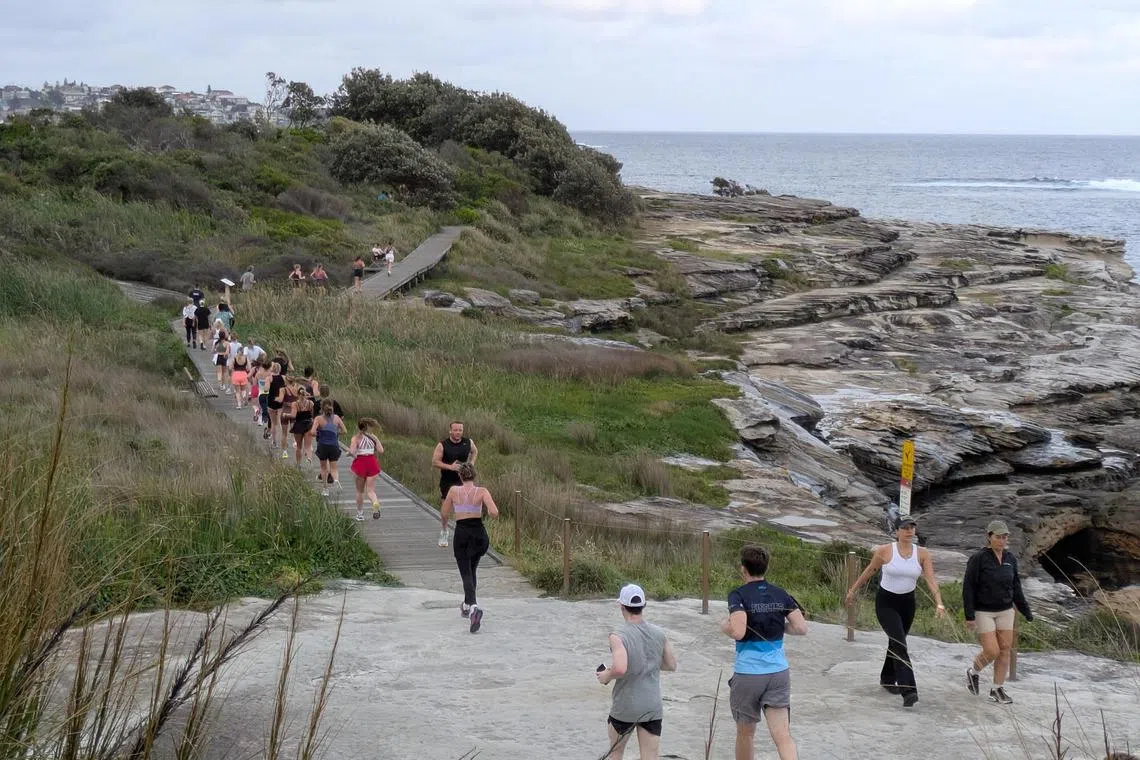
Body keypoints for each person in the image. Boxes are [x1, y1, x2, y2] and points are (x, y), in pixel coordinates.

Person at [844, 515, 945, 707]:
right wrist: (852, 590)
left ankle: (887, 678)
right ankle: (909, 690)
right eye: (905, 527)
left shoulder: (922, 554)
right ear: (897, 531)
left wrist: (939, 603)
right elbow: (870, 571)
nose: (909, 531)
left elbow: (931, 579)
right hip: (886, 602)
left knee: (897, 642)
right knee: (899, 642)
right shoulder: (885, 551)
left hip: (908, 603)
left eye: (912, 527)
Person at [721, 545, 808, 760]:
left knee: (745, 734)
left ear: (743, 569)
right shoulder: (781, 593)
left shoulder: (738, 595)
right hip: (778, 673)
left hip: (749, 674)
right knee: (783, 735)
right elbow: (801, 628)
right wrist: (781, 628)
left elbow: (739, 632)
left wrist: (725, 626)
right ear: (765, 568)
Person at [596, 584, 678, 760]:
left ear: (621, 606)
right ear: (644, 606)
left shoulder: (617, 635)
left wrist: (606, 676)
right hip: (652, 706)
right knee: (649, 757)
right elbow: (671, 665)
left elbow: (620, 668)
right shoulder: (659, 633)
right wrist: (648, 663)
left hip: (626, 706)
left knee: (616, 754)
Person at [963, 519, 1033, 705]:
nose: (1001, 540)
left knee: (1004, 651)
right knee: (991, 651)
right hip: (983, 611)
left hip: (1006, 611)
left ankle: (997, 689)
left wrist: (1025, 610)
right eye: (998, 537)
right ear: (989, 537)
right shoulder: (978, 558)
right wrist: (969, 616)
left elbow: (1016, 586)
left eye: (1004, 537)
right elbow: (968, 587)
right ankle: (973, 672)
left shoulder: (1010, 559)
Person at [440, 463, 499, 632]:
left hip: (462, 533)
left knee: (466, 572)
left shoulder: (453, 491)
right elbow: (494, 512)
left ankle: (473, 608)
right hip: (479, 533)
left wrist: (456, 510)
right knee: (472, 569)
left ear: (460, 476)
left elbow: (444, 513)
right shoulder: (482, 491)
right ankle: (466, 605)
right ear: (474, 476)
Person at [432, 421, 478, 548]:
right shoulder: (442, 445)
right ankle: (444, 531)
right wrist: (450, 467)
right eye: (455, 430)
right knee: (446, 509)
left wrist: (471, 463)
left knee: (464, 507)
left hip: (464, 479)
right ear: (450, 431)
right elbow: (435, 462)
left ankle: (463, 534)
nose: (458, 432)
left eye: (460, 430)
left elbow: (474, 452)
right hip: (447, 480)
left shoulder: (468, 442)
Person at [349, 418, 384, 522]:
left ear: (358, 427)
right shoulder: (373, 437)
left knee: (360, 491)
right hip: (372, 462)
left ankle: (360, 514)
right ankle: (375, 503)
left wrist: (350, 452)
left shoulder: (356, 438)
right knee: (370, 490)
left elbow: (352, 451)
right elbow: (381, 450)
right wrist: (375, 441)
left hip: (360, 463)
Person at [314, 400, 347, 496]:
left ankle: (325, 489)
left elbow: (312, 432)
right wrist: (336, 433)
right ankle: (336, 480)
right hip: (334, 445)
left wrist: (319, 433)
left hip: (323, 445)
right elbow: (344, 431)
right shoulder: (336, 418)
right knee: (334, 467)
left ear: (322, 407)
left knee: (324, 468)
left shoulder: (318, 418)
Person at [291, 387, 314, 465]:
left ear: (297, 394)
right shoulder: (311, 403)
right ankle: (309, 458)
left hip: (298, 425)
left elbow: (293, 416)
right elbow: (312, 415)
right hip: (308, 425)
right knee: (308, 446)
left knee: (299, 446)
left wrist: (286, 415)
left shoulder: (295, 404)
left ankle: (298, 464)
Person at [266, 362, 286, 445]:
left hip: (271, 400)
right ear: (280, 369)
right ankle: (283, 440)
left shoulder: (269, 378)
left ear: (272, 369)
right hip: (280, 401)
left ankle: (274, 441)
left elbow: (266, 389)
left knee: (273, 422)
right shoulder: (283, 377)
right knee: (280, 421)